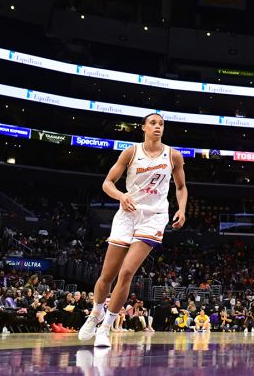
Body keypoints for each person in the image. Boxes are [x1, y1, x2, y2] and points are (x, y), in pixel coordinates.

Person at [79, 113, 187, 348]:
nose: (158, 127)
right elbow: (107, 183)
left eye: (161, 124)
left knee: (127, 272)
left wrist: (182, 209)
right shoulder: (131, 152)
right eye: (153, 123)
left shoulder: (173, 155)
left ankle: (106, 327)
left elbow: (181, 186)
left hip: (154, 217)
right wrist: (121, 195)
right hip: (128, 214)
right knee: (107, 275)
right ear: (143, 128)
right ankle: (95, 314)